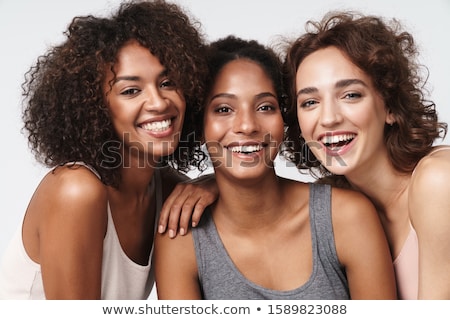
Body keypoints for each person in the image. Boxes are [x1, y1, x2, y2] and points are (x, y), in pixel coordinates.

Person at [0, 0, 217, 299]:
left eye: (168, 82)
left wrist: (217, 184)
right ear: (95, 107)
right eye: (131, 90)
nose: (158, 102)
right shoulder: (76, 191)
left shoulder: (168, 190)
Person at [154, 35, 397, 300]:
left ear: (284, 119)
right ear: (199, 126)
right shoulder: (182, 238)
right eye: (224, 109)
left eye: (265, 107)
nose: (247, 125)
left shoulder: (347, 217)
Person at [283, 11, 450, 300]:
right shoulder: (336, 206)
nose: (329, 118)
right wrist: (210, 185)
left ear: (390, 107)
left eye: (350, 95)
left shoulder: (438, 180)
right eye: (310, 102)